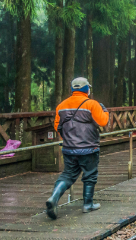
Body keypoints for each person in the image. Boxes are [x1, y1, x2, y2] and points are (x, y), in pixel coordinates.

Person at [46, 77, 109, 219]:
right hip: (89, 148)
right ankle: (88, 204)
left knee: (68, 175)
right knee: (90, 175)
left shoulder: (61, 106)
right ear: (87, 89)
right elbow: (103, 121)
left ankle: (54, 198)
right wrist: (104, 111)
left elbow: (57, 126)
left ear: (72, 89)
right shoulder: (92, 104)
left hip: (69, 148)